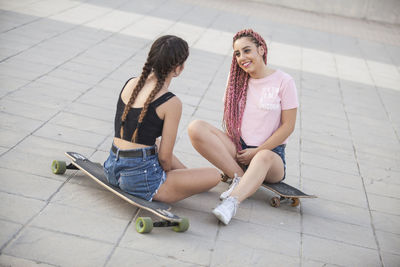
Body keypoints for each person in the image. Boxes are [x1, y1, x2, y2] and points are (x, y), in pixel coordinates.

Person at [188, 29, 298, 224]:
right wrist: (237, 147)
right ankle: (238, 177)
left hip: (271, 156)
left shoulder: (284, 81)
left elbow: (288, 126)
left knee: (263, 157)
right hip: (239, 150)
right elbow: (230, 118)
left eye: (247, 51)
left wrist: (257, 151)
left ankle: (231, 202)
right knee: (196, 127)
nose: (242, 58)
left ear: (261, 50)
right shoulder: (236, 81)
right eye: (237, 53)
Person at [103, 35, 220, 204]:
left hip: (112, 169)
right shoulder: (171, 102)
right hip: (141, 180)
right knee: (214, 175)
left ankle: (187, 176)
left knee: (155, 144)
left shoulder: (130, 83)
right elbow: (165, 158)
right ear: (179, 68)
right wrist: (164, 174)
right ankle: (188, 179)